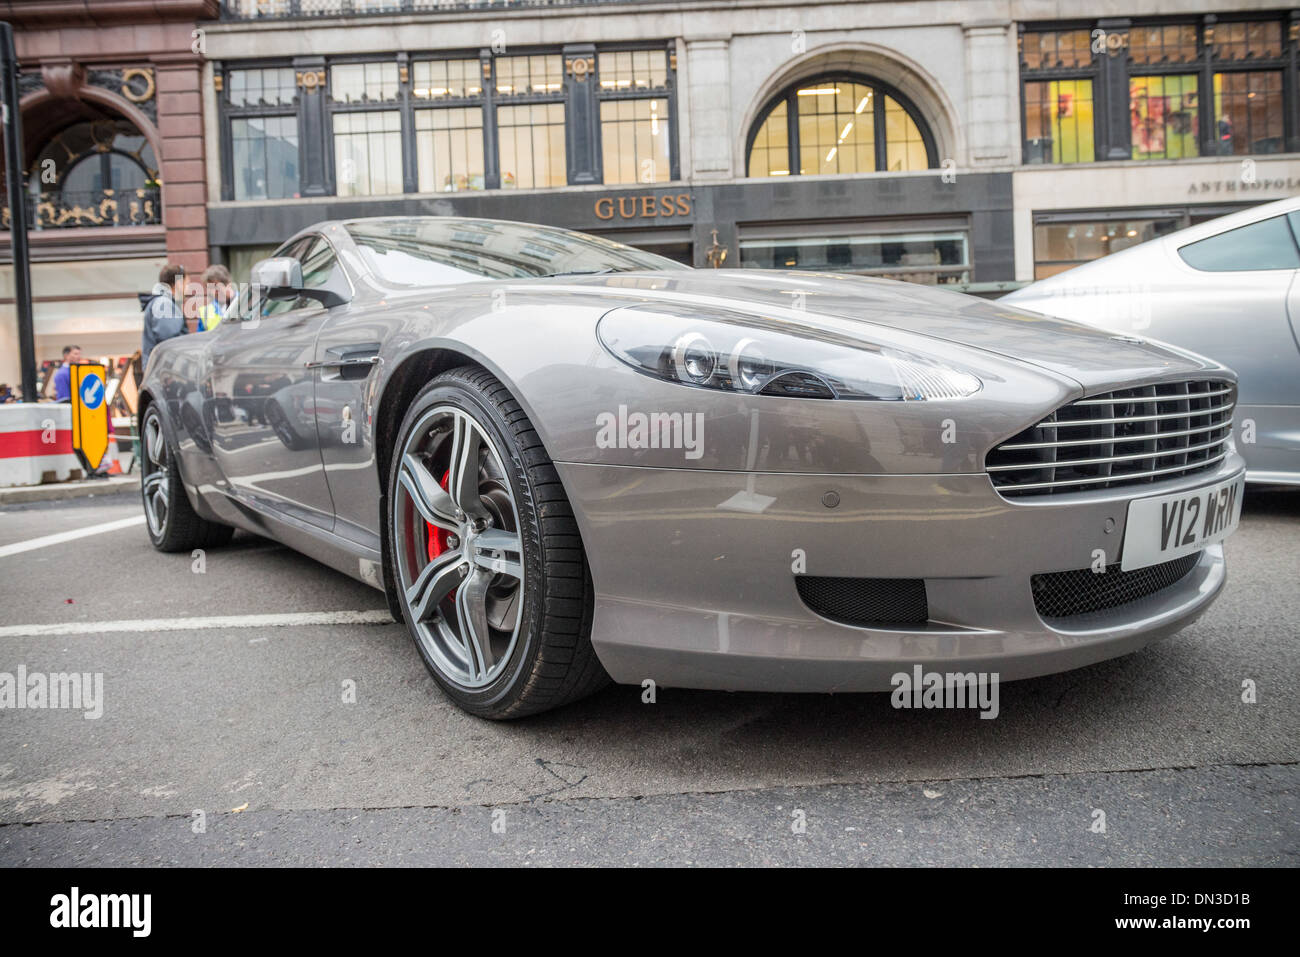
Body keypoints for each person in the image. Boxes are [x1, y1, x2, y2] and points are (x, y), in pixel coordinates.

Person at [141, 264, 189, 369]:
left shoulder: (163, 302)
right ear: (179, 283)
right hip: (166, 375)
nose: (188, 288)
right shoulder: (164, 304)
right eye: (187, 283)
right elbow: (170, 343)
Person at [198, 264, 236, 332]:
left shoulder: (246, 303)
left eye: (216, 286)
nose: (213, 292)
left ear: (228, 284)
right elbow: (200, 339)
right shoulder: (205, 312)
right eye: (209, 288)